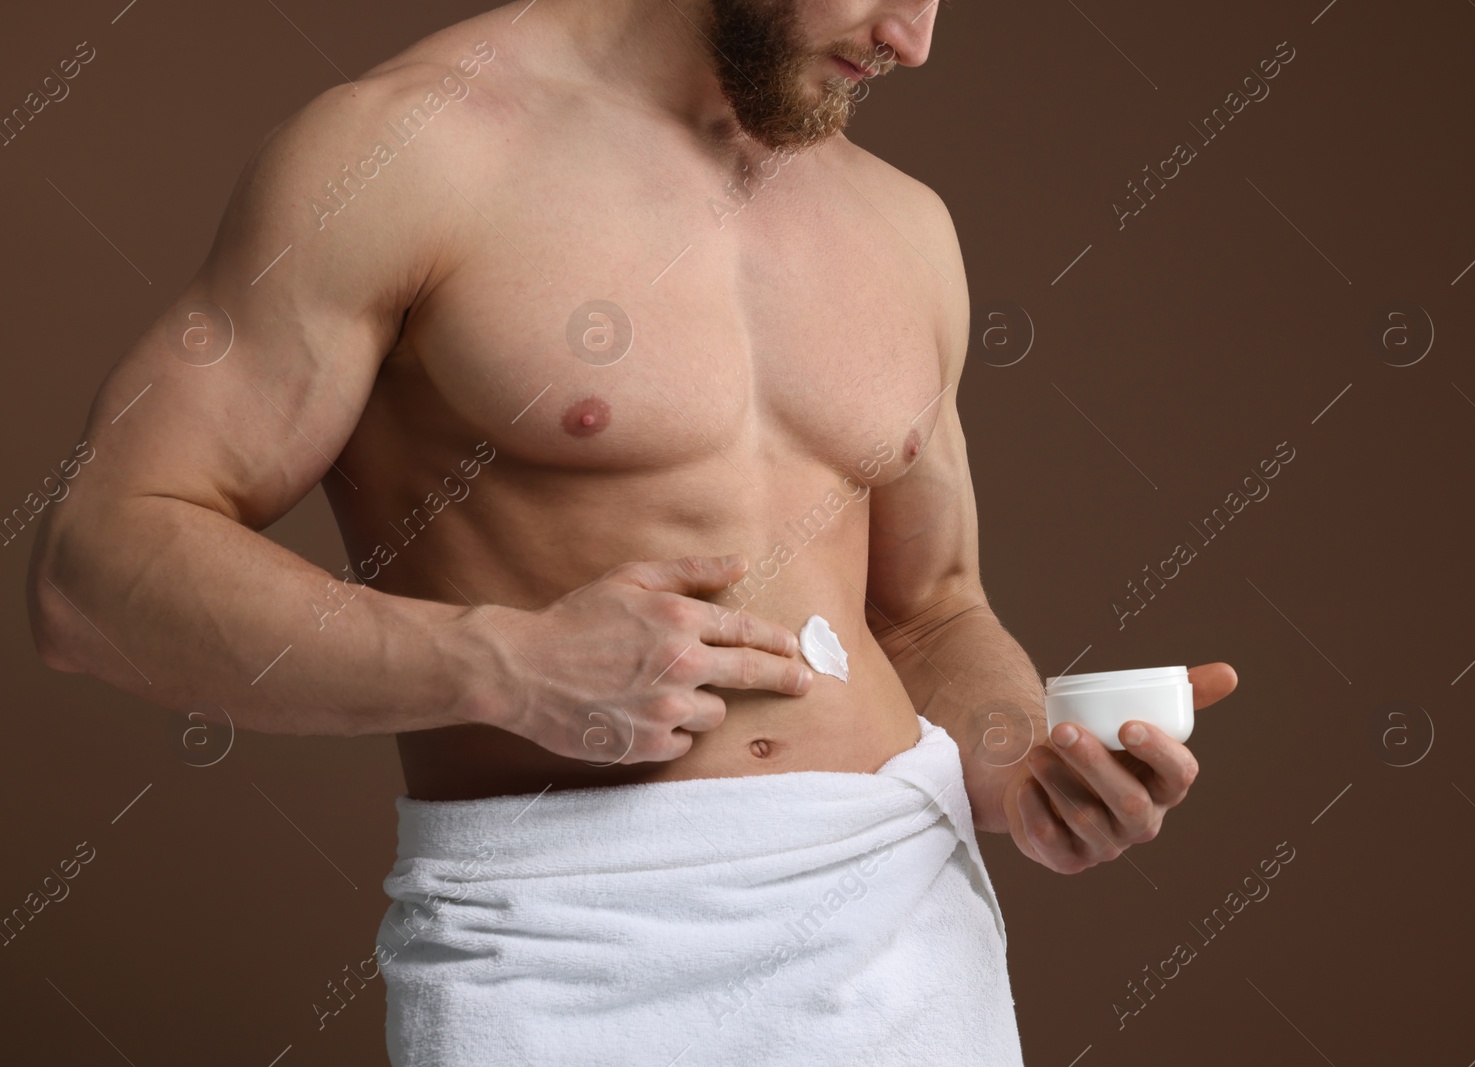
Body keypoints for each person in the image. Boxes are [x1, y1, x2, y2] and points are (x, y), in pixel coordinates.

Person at [26, 0, 1236, 1063]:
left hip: (901, 933)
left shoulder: (903, 222)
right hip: (564, 947)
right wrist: (499, 663)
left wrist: (1025, 761)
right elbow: (94, 568)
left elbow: (932, 608)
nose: (913, 39)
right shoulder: (403, 153)